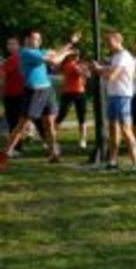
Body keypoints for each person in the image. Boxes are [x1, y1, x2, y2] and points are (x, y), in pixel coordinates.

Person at [1, 30, 80, 169]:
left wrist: (70, 43)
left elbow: (55, 53)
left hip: (47, 90)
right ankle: (4, 156)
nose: (37, 41)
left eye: (39, 39)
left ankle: (53, 154)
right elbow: (55, 60)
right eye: (34, 39)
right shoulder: (26, 52)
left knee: (49, 123)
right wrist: (68, 53)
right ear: (26, 40)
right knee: (21, 126)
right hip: (34, 92)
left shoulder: (39, 51)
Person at [90, 31, 136, 173]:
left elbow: (112, 76)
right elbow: (110, 70)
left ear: (118, 41)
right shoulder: (116, 57)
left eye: (109, 41)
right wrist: (99, 68)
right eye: (106, 41)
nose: (107, 44)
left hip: (122, 96)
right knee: (113, 129)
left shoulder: (124, 56)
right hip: (113, 95)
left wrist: (98, 70)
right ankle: (112, 161)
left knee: (126, 130)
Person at [56, 47, 90, 152]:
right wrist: (83, 70)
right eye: (74, 55)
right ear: (69, 55)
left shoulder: (76, 64)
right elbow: (83, 74)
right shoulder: (68, 64)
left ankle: (83, 140)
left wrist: (85, 69)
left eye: (77, 55)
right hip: (68, 93)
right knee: (61, 115)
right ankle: (49, 139)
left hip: (80, 92)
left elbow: (87, 75)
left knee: (82, 117)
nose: (76, 57)